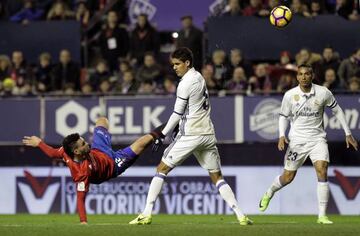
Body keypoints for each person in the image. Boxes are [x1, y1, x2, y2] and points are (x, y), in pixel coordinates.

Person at [129, 47, 253, 226]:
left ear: (187, 63)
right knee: (217, 177)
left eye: (178, 64)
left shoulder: (185, 83)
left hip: (191, 134)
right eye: (173, 64)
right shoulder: (199, 77)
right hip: (208, 133)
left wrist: (161, 135)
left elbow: (177, 113)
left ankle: (146, 214)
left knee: (161, 169)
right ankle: (241, 215)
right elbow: (190, 108)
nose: (175, 68)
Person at [259, 64, 358, 224]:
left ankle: (322, 216)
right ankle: (269, 192)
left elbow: (337, 110)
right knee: (288, 177)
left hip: (317, 139)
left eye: (307, 74)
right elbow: (283, 116)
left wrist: (348, 133)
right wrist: (281, 135)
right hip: (297, 141)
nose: (303, 77)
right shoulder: (290, 95)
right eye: (300, 74)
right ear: (297, 77)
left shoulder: (323, 92)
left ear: (312, 76)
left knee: (322, 169)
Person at [22, 117, 166, 224]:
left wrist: (39, 143)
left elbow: (52, 153)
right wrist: (83, 222)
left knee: (101, 120)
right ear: (77, 151)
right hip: (113, 164)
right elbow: (80, 198)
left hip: (100, 150)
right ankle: (169, 127)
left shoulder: (66, 152)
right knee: (143, 141)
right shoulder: (82, 173)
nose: (86, 142)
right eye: (83, 143)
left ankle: (173, 123)